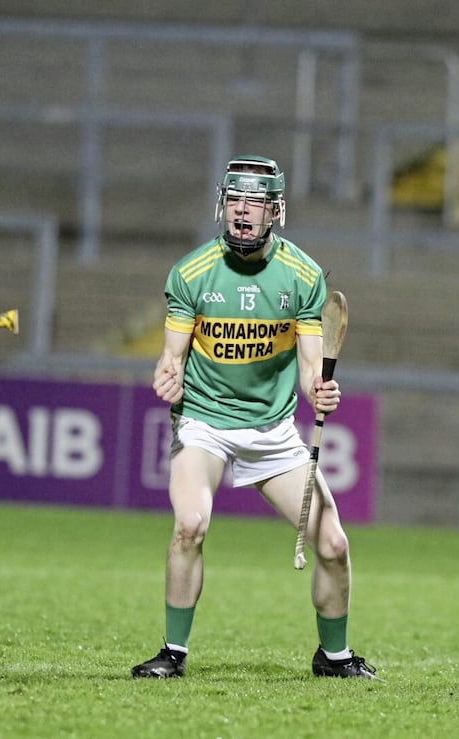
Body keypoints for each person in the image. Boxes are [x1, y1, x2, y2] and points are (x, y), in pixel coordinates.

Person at [131, 155, 379, 681]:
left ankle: (333, 657)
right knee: (191, 525)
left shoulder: (303, 276)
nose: (242, 213)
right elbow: (170, 357)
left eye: (255, 203)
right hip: (203, 422)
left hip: (272, 432)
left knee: (334, 544)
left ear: (276, 211)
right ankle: (172, 654)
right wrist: (166, 375)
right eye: (235, 201)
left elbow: (312, 367)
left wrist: (321, 392)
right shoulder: (191, 273)